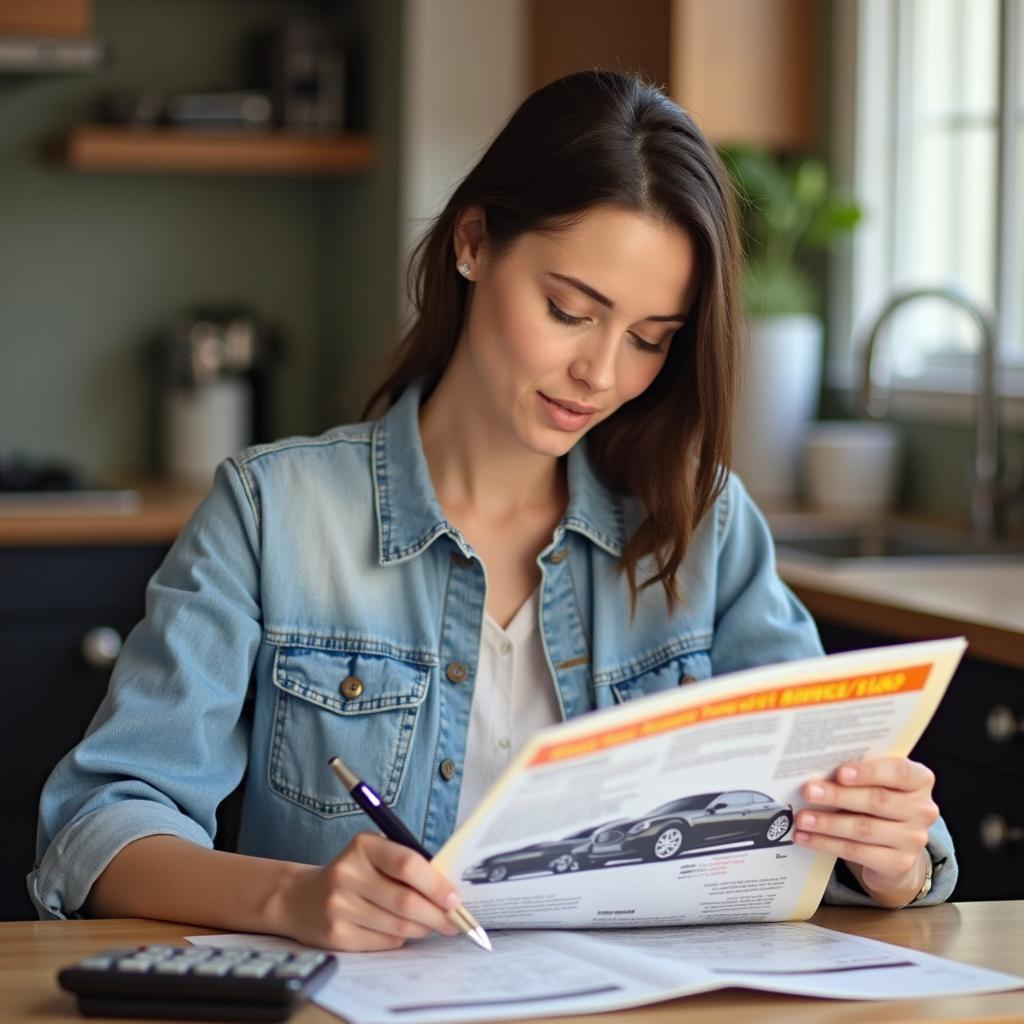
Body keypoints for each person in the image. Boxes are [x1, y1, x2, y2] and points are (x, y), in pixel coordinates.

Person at [30, 71, 955, 951]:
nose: (601, 374)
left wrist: (892, 856)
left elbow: (823, 816)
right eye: (568, 309)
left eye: (648, 340)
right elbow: (99, 825)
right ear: (473, 243)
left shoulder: (703, 527)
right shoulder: (276, 513)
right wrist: (295, 898)